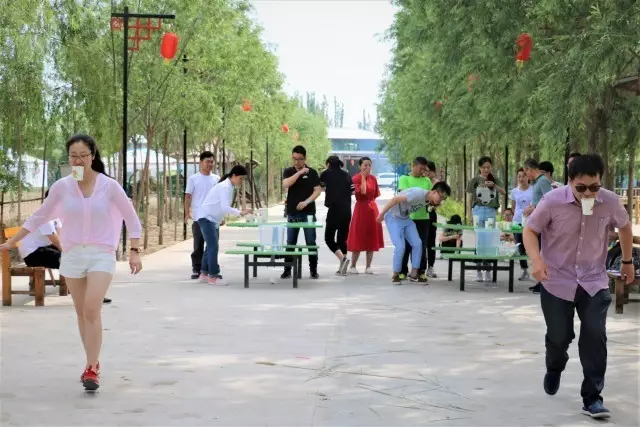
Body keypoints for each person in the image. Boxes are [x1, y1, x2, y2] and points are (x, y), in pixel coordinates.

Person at [0, 134, 143, 391]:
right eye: (73, 156)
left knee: (91, 309)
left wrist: (134, 250)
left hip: (102, 254)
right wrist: (13, 242)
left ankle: (90, 368)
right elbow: (40, 216)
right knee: (81, 313)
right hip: (73, 254)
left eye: (82, 155)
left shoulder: (109, 186)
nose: (78, 161)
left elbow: (131, 218)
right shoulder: (62, 187)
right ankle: (93, 361)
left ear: (92, 156)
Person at [523, 154, 635, 420]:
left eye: (594, 187)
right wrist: (537, 260)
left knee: (595, 335)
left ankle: (593, 397)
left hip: (593, 280)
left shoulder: (609, 201)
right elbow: (530, 230)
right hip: (556, 280)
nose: (588, 193)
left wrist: (627, 261)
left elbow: (624, 227)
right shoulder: (552, 201)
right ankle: (555, 366)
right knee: (559, 336)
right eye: (581, 187)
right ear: (570, 181)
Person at [20, 193, 113, 304]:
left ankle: (92, 294)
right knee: (72, 262)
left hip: (43, 249)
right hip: (32, 254)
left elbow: (61, 236)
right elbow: (55, 240)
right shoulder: (44, 215)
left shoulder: (56, 216)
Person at [377, 182, 451, 284]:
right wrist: (381, 214)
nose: (441, 200)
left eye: (443, 199)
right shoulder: (417, 194)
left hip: (405, 219)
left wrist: (434, 204)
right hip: (393, 217)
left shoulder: (429, 200)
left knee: (417, 243)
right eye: (441, 197)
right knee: (400, 246)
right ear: (434, 192)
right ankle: (395, 274)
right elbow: (394, 200)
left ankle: (414, 274)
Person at [198, 165, 252, 285]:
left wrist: (220, 219)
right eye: (240, 178)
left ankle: (204, 274)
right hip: (207, 218)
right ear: (234, 176)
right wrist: (240, 212)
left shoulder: (228, 186)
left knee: (210, 247)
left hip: (212, 219)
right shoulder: (224, 187)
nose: (241, 181)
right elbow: (224, 207)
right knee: (213, 247)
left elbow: (219, 205)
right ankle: (213, 276)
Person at [281, 145, 322, 279]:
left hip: (308, 213)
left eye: (299, 159)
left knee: (311, 242)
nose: (296, 162)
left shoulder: (312, 172)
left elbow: (317, 190)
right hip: (292, 213)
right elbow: (286, 184)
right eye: (294, 159)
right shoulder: (289, 171)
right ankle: (287, 269)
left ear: (305, 158)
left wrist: (306, 202)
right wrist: (299, 173)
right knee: (290, 242)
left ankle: (313, 270)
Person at [466, 156, 506, 281]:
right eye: (484, 167)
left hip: (490, 211)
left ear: (491, 167)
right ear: (480, 168)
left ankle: (488, 270)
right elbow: (469, 198)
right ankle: (478, 270)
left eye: (488, 167)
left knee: (489, 242)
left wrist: (494, 185)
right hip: (477, 210)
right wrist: (469, 215)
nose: (486, 170)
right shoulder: (474, 180)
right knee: (479, 241)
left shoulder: (495, 179)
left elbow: (503, 192)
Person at [185, 151, 220, 280]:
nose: (209, 164)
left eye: (212, 162)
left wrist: (221, 216)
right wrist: (187, 213)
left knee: (212, 244)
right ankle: (197, 269)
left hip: (213, 217)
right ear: (201, 162)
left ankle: (209, 269)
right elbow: (188, 196)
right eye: (207, 161)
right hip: (198, 216)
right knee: (198, 244)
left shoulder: (216, 179)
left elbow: (219, 198)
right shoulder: (193, 179)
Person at [347, 157, 384, 274]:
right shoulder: (355, 178)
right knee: (358, 236)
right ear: (360, 166)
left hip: (372, 209)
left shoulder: (373, 179)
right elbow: (362, 192)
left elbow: (375, 194)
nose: (367, 167)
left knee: (371, 237)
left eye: (369, 165)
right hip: (361, 209)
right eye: (365, 165)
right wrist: (363, 177)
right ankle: (353, 265)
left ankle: (368, 266)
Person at [522, 158, 554, 293]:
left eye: (526, 172)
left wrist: (534, 208)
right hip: (536, 220)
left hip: (543, 222)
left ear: (530, 169)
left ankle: (544, 283)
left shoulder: (543, 181)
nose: (526, 175)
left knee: (542, 252)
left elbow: (549, 200)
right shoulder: (537, 182)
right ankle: (540, 281)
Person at [398, 157, 431, 280]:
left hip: (423, 218)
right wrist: (423, 198)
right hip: (407, 218)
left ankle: (420, 271)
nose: (423, 171)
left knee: (421, 245)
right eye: (421, 168)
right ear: (413, 166)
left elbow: (430, 197)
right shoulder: (404, 178)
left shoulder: (427, 180)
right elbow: (405, 197)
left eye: (424, 169)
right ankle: (402, 270)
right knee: (406, 245)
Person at [320, 156, 354, 275]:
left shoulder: (325, 174)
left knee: (329, 238)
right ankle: (342, 268)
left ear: (328, 163)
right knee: (342, 239)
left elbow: (320, 187)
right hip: (346, 210)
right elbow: (353, 191)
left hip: (334, 209)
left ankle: (343, 259)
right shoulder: (346, 174)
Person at [510, 168, 533, 281]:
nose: (521, 178)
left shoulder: (533, 190)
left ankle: (537, 269)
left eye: (523, 176)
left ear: (528, 177)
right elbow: (513, 207)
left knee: (531, 246)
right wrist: (518, 216)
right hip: (517, 222)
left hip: (530, 222)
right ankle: (524, 270)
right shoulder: (514, 191)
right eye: (519, 176)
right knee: (520, 246)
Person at [424, 160, 440, 277]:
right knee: (420, 242)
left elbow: (441, 200)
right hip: (420, 213)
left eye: (429, 171)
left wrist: (435, 204)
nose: (427, 173)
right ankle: (419, 267)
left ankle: (430, 267)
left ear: (434, 171)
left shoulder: (437, 184)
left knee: (431, 241)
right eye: (425, 171)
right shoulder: (421, 181)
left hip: (431, 213)